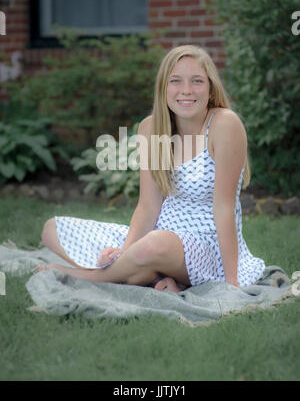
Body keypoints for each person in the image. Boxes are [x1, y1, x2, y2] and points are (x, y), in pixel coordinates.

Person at [34, 45, 265, 292]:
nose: (186, 90)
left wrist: (231, 282)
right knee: (52, 229)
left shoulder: (224, 124)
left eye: (197, 81)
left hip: (209, 247)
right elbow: (148, 205)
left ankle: (83, 277)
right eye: (176, 81)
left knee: (154, 245)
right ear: (163, 89)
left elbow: (224, 207)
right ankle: (152, 275)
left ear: (210, 90)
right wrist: (123, 251)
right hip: (156, 237)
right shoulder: (151, 128)